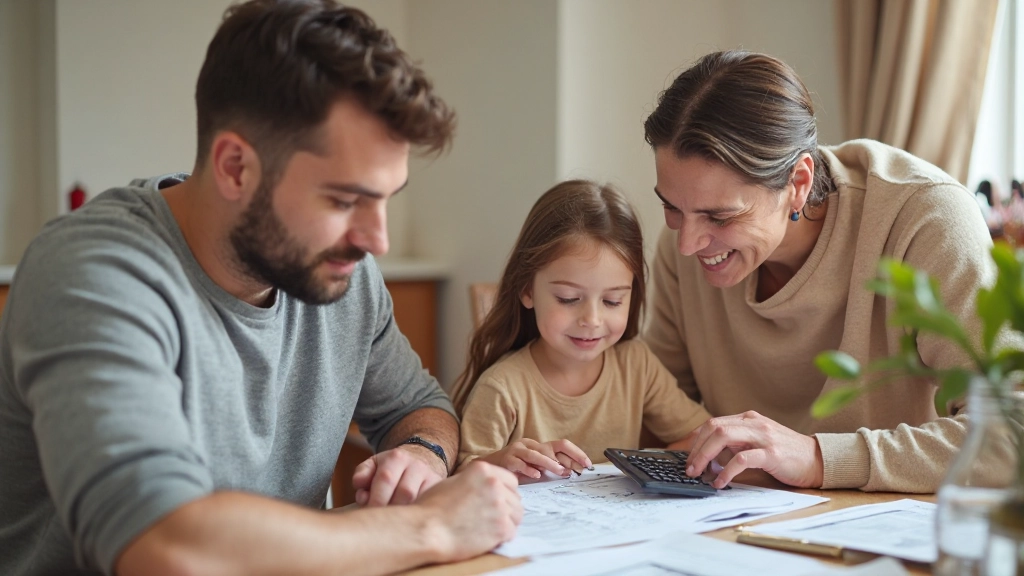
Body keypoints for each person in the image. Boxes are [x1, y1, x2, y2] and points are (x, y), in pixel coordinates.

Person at [0, 2, 521, 575]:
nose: (378, 240)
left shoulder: (340, 273)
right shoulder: (93, 275)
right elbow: (165, 547)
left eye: (386, 199)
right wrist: (430, 526)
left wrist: (422, 453)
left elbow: (420, 407)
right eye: (345, 200)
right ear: (235, 167)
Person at [642, 50, 994, 493]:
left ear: (798, 184)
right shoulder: (689, 246)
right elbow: (650, 408)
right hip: (733, 527)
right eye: (671, 206)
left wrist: (818, 459)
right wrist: (553, 446)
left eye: (720, 217)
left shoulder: (926, 220)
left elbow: (1011, 434)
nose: (687, 243)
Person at [452, 180, 712, 479]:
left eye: (613, 301)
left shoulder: (636, 364)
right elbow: (461, 475)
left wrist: (647, 464)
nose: (592, 319)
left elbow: (703, 436)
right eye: (568, 299)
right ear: (527, 290)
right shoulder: (503, 387)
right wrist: (501, 462)